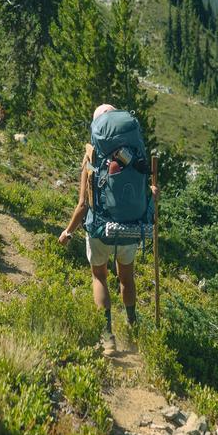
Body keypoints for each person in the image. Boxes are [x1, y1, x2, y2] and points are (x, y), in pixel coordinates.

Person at [58, 103, 157, 352]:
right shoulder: (137, 155)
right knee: (127, 277)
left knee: (99, 276)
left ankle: (108, 338)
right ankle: (133, 329)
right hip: (132, 229)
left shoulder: (91, 158)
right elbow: (149, 191)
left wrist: (68, 231)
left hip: (101, 229)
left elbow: (82, 204)